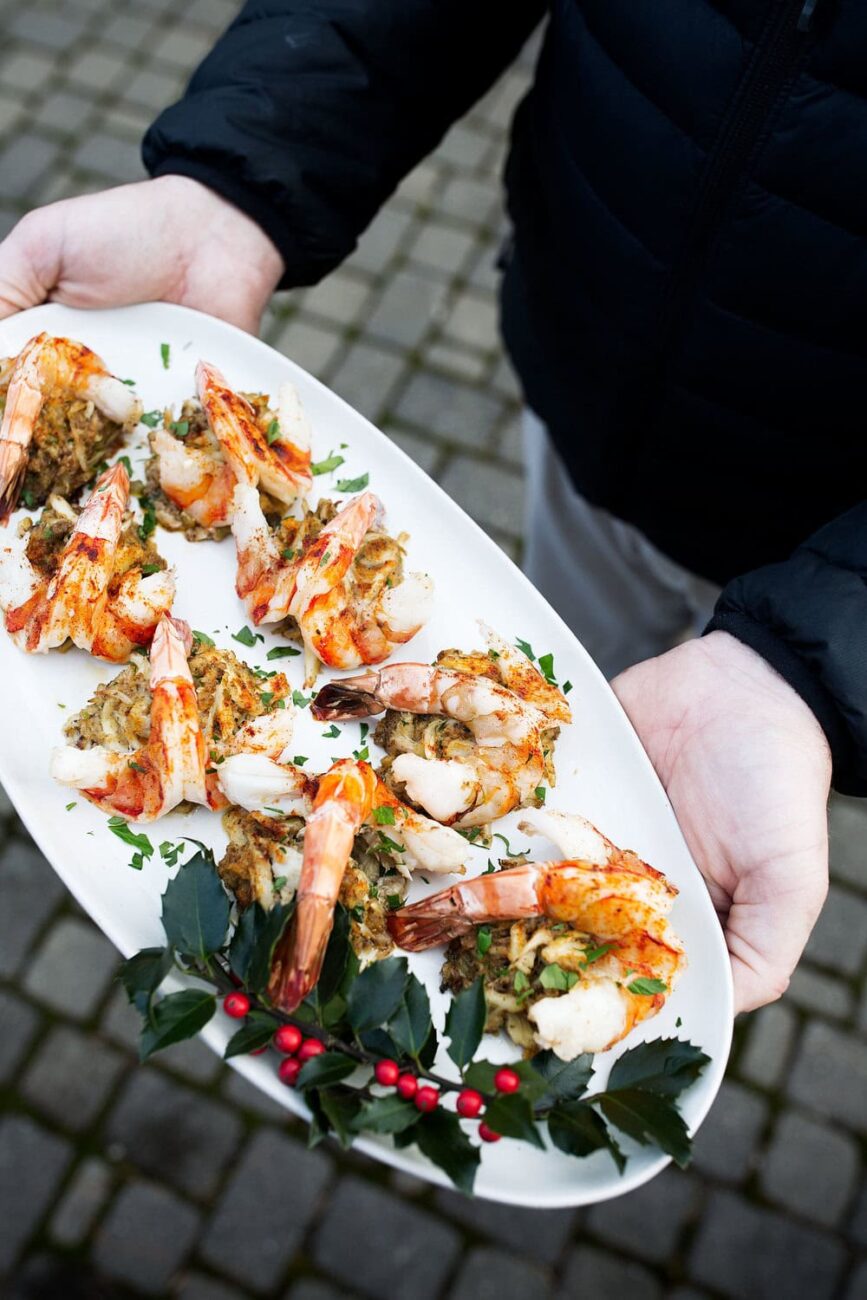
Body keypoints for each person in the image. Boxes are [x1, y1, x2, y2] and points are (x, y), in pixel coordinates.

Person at [0, 1, 861, 1017]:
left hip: (814, 505)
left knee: (597, 735)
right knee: (576, 657)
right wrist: (236, 179)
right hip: (586, 381)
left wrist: (812, 664)